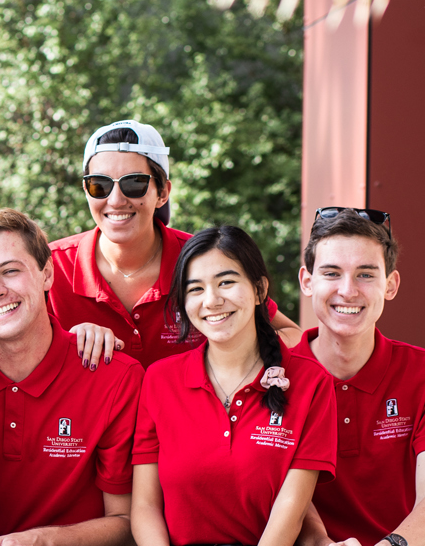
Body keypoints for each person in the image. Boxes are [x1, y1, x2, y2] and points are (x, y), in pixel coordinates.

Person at [0, 209, 143, 546]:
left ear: (47, 273)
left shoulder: (114, 377)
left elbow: (126, 521)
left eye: (10, 271)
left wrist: (40, 541)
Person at [130, 225, 338, 546]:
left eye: (226, 282)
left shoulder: (310, 382)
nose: (212, 300)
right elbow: (144, 506)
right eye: (195, 289)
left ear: (259, 290)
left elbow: (291, 511)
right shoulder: (159, 380)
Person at [50, 120, 301, 368]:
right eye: (99, 185)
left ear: (162, 193)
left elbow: (293, 336)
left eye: (134, 183)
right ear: (86, 190)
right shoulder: (49, 266)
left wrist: (228, 351)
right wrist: (64, 342)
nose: (115, 200)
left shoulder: (204, 258)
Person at [291, 209, 425, 546]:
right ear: (307, 282)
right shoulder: (278, 373)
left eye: (365, 274)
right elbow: (278, 488)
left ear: (390, 284)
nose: (348, 290)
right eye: (332, 273)